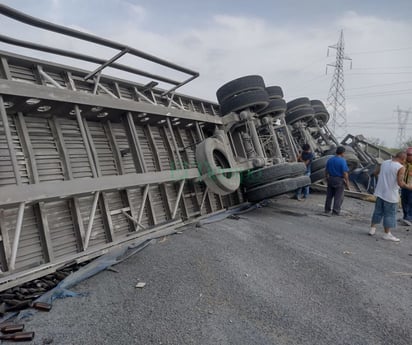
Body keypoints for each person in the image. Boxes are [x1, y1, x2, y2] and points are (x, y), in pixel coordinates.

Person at [369, 151, 412, 242]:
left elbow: (375, 173)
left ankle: (372, 229)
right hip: (391, 195)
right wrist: (409, 187)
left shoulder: (384, 162)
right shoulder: (400, 167)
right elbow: (400, 183)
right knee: (390, 215)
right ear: (403, 159)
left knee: (378, 211)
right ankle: (387, 234)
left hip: (380, 192)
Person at [324, 146, 350, 215]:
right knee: (338, 196)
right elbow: (345, 173)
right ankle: (335, 211)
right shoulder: (342, 161)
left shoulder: (330, 159)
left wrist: (327, 178)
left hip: (331, 178)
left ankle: (327, 209)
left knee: (329, 196)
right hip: (339, 180)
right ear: (342, 153)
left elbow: (326, 170)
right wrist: (347, 183)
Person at [400, 147, 412, 225]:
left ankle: (410, 218)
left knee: (411, 202)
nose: (407, 156)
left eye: (409, 155)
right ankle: (406, 216)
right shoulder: (404, 163)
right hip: (404, 185)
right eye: (407, 154)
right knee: (404, 201)